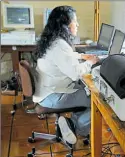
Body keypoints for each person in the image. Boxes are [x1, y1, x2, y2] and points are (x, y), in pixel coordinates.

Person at [33, 6, 98, 145]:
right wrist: (91, 62)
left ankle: (69, 124)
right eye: (75, 21)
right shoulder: (60, 45)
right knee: (98, 100)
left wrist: (81, 55)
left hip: (47, 91)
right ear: (66, 25)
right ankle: (74, 126)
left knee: (84, 89)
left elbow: (63, 57)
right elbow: (75, 74)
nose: (77, 24)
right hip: (53, 96)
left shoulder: (53, 41)